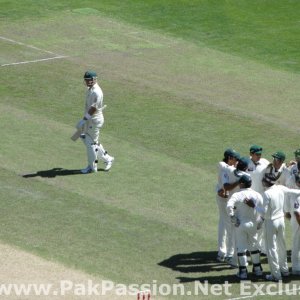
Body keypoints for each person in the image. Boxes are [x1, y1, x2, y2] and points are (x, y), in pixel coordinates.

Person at [76, 71, 114, 173]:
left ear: (94, 80)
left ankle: (92, 167)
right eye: (86, 80)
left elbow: (93, 109)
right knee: (81, 135)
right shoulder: (90, 89)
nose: (87, 82)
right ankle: (108, 159)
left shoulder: (97, 92)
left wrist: (84, 120)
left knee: (91, 143)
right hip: (89, 119)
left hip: (94, 121)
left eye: (89, 80)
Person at [226, 174, 264, 280]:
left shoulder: (237, 195)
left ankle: (243, 272)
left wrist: (233, 218)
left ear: (242, 183)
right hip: (253, 224)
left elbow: (229, 206)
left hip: (240, 224)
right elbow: (263, 211)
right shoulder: (257, 195)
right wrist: (260, 223)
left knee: (241, 248)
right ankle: (258, 270)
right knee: (254, 246)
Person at [220, 156, 250, 267]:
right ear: (246, 167)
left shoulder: (230, 170)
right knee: (241, 235)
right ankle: (239, 260)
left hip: (231, 208)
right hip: (241, 210)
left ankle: (234, 259)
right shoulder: (247, 176)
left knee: (233, 234)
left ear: (237, 164)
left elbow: (227, 187)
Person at [215, 148, 240, 262]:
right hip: (223, 199)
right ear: (229, 158)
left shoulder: (232, 166)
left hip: (228, 198)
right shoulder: (223, 166)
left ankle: (222, 251)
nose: (237, 161)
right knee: (229, 224)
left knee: (223, 223)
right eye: (235, 158)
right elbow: (225, 184)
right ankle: (229, 253)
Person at [247, 145, 269, 254]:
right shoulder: (245, 163)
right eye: (257, 154)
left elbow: (274, 168)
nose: (259, 156)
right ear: (251, 154)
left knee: (262, 223)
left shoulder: (265, 162)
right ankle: (250, 246)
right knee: (251, 222)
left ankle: (262, 247)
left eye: (260, 154)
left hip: (262, 197)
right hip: (250, 198)